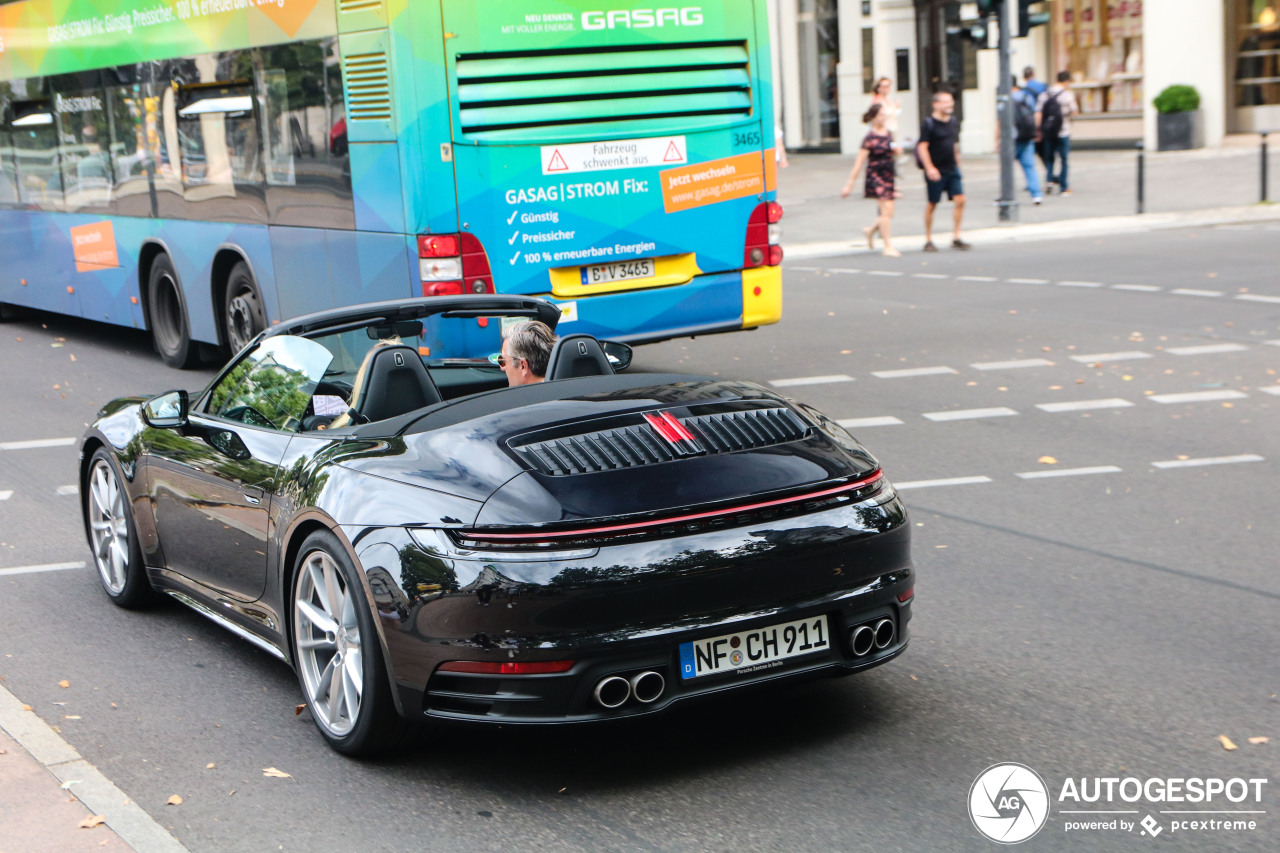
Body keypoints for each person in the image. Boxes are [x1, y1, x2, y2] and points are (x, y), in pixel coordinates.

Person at [841, 103, 902, 257]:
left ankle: (870, 230)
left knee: (889, 212)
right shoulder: (869, 138)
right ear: (874, 117)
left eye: (885, 114)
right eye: (881, 115)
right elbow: (859, 162)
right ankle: (888, 246)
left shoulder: (888, 133)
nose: (884, 118)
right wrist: (850, 184)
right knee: (886, 210)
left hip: (888, 174)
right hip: (875, 176)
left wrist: (897, 152)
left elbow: (893, 153)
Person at [916, 91, 969, 252]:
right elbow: (922, 147)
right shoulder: (929, 124)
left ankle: (956, 236)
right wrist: (930, 168)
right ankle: (928, 239)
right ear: (936, 104)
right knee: (932, 204)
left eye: (951, 101)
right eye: (945, 102)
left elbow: (953, 145)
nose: (949, 105)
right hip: (935, 170)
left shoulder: (953, 122)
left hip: (951, 168)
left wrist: (958, 163)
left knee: (960, 200)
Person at [1036, 71, 1079, 196]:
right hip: (1063, 131)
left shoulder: (1044, 94)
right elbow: (1074, 111)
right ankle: (1064, 187)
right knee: (1064, 159)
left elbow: (1038, 112)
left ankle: (1049, 181)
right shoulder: (1067, 95)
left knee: (1049, 158)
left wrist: (1039, 129)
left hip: (1048, 131)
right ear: (1066, 81)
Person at [1005, 77, 1043, 204]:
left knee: (1007, 168)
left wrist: (997, 140)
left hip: (1011, 138)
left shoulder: (1005, 100)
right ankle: (1036, 194)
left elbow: (1000, 122)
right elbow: (1036, 114)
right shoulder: (1027, 97)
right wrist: (1035, 130)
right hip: (1027, 137)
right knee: (1029, 167)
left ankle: (1007, 195)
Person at [499, 320, 555, 386]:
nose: (502, 368)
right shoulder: (563, 387)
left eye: (502, 361)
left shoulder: (519, 396)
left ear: (523, 366)